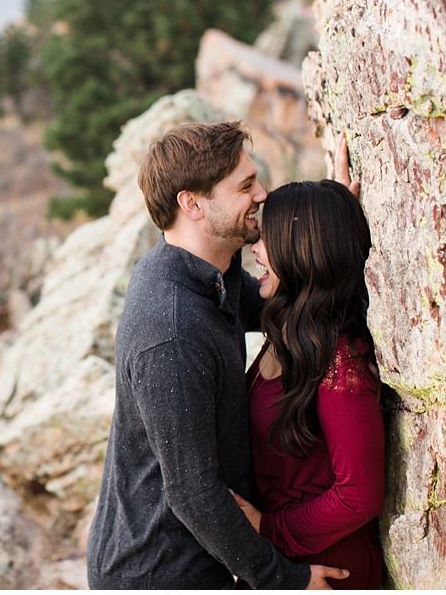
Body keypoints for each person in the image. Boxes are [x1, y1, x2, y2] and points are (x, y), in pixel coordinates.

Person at [87, 120, 348, 589]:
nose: (263, 193)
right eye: (246, 185)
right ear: (193, 204)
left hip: (195, 557)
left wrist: (331, 222)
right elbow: (193, 494)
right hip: (157, 572)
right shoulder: (170, 331)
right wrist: (286, 580)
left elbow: (280, 308)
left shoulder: (209, 273)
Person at [231, 179, 385, 589]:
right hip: (288, 562)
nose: (255, 248)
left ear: (300, 249)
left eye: (267, 237)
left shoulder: (339, 358)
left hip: (328, 571)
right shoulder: (289, 328)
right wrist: (329, 202)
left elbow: (360, 495)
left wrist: (265, 527)